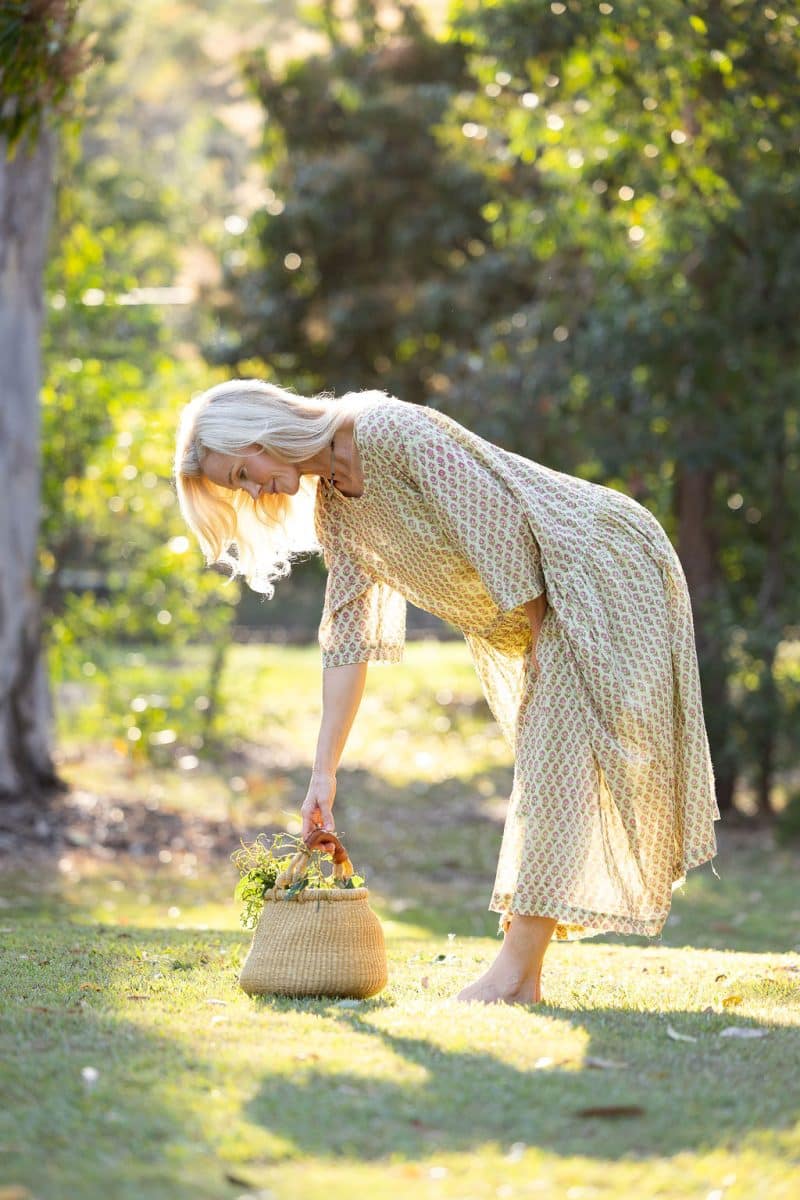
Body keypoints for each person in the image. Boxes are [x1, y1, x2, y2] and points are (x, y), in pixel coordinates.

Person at [174, 379, 720, 1005]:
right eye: (235, 486)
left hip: (598, 564)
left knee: (553, 764)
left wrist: (543, 652)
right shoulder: (336, 510)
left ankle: (511, 978)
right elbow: (349, 639)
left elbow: (504, 533)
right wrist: (322, 776)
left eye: (243, 470)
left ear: (266, 429)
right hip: (550, 598)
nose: (250, 490)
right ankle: (524, 979)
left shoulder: (390, 433)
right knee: (555, 769)